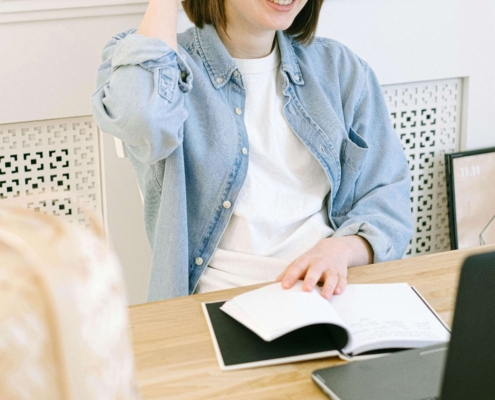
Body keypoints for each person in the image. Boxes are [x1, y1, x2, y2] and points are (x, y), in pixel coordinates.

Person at [91, 0, 413, 302]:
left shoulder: (339, 69)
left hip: (331, 296)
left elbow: (387, 198)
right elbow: (140, 118)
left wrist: (342, 250)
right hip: (219, 308)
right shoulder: (160, 65)